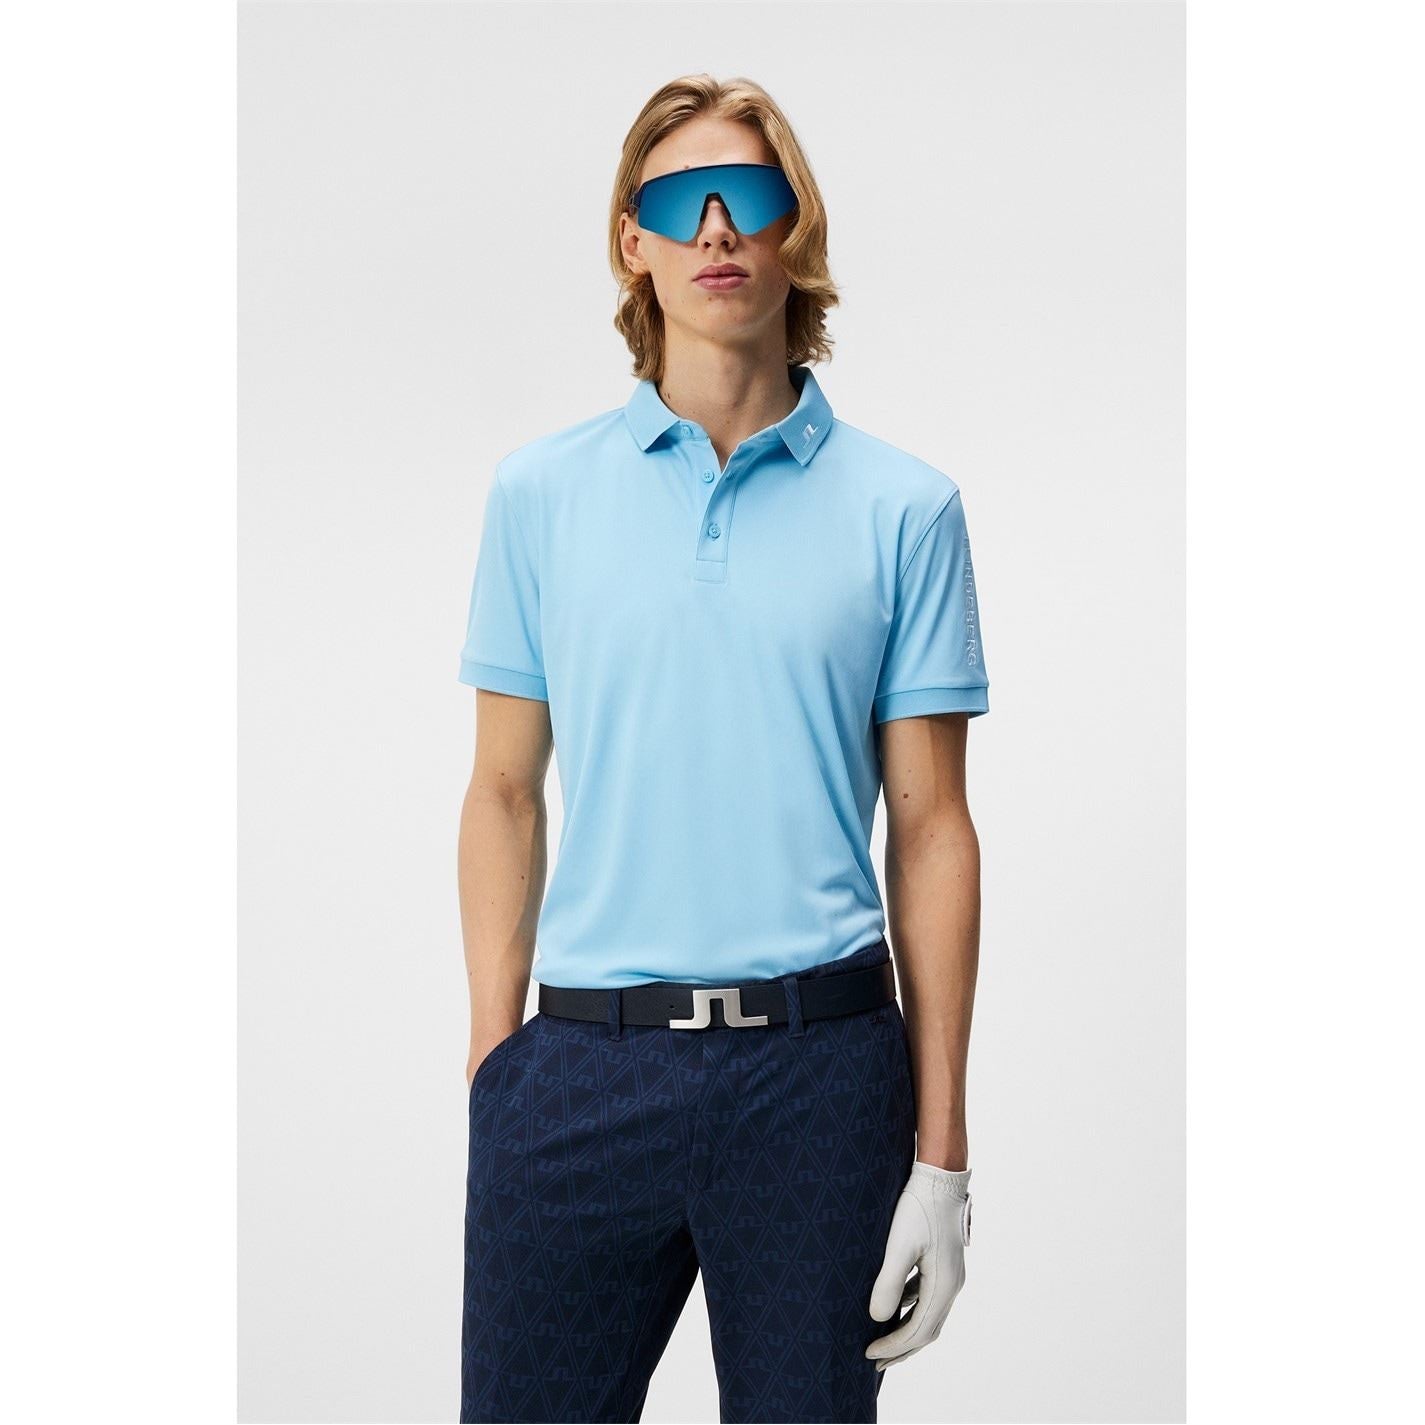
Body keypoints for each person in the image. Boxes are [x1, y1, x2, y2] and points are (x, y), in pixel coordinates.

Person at [456, 74, 986, 1425]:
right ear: (629, 239)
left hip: (820, 1074)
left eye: (747, 195)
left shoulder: (906, 510)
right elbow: (504, 789)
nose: (715, 227)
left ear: (793, 227)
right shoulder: (538, 495)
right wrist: (496, 1068)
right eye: (678, 200)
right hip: (580, 1070)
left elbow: (931, 826)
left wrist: (940, 1157)